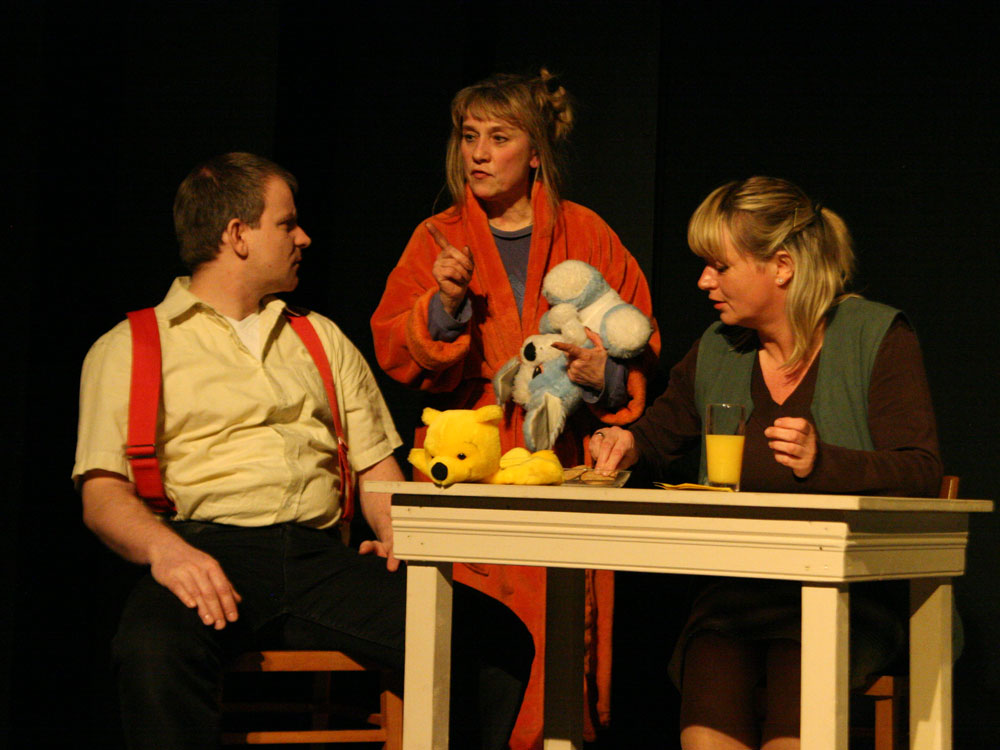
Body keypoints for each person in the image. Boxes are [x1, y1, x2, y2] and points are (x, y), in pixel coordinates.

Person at [73, 152, 532, 750]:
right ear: (237, 235)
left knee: (493, 639)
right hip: (206, 551)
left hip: (320, 560)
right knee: (150, 649)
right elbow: (102, 494)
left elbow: (376, 468)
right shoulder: (129, 345)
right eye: (287, 223)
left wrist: (399, 535)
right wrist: (169, 553)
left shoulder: (319, 336)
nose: (304, 237)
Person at [589, 176, 942, 750]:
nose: (704, 281)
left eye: (719, 266)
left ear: (781, 267)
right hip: (743, 590)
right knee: (709, 674)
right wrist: (626, 444)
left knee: (794, 671)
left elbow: (920, 471)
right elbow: (658, 434)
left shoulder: (874, 335)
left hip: (851, 590)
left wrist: (823, 462)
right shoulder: (719, 346)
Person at [371, 70, 660, 747]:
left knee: (557, 651)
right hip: (468, 462)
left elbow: (637, 340)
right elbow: (396, 347)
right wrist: (444, 306)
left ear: (535, 152)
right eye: (468, 136)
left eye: (498, 138)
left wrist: (604, 376)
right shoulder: (437, 237)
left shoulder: (587, 234)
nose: (478, 153)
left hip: (558, 466)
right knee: (463, 657)